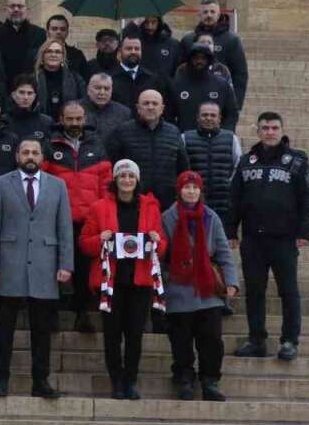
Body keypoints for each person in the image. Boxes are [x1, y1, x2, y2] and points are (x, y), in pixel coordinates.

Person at [0, 138, 74, 399]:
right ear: (17, 156)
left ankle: (41, 382)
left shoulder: (58, 186)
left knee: (42, 330)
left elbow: (64, 227)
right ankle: (1, 380)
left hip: (45, 264)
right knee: (4, 330)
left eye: (35, 152)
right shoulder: (1, 183)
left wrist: (65, 264)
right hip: (9, 263)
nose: (30, 156)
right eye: (25, 151)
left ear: (42, 156)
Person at [228, 112, 309, 362]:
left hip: (284, 238)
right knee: (255, 290)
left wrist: (304, 231)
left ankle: (289, 341)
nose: (270, 132)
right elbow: (234, 198)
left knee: (288, 290)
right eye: (265, 128)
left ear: (282, 130)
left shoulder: (297, 160)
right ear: (257, 131)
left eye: (274, 127)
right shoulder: (246, 161)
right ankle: (257, 339)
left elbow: (308, 197)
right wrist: (231, 230)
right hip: (253, 239)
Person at [80, 159, 167, 400]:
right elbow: (85, 245)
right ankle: (116, 380)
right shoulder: (99, 207)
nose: (127, 180)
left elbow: (162, 247)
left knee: (135, 334)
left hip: (140, 281)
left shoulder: (150, 207)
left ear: (137, 180)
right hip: (111, 282)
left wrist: (156, 241)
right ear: (115, 180)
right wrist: (100, 238)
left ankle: (130, 380)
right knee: (112, 334)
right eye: (122, 176)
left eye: (131, 176)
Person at [162, 171, 239, 401]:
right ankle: (185, 379)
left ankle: (210, 381)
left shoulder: (211, 217)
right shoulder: (168, 217)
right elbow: (160, 252)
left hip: (207, 290)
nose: (191, 192)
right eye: (187, 187)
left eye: (195, 188)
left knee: (212, 341)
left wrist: (232, 281)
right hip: (178, 288)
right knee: (181, 342)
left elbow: (223, 251)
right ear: (180, 190)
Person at [43, 101, 112, 332]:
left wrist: (103, 214)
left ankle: (82, 313)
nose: (74, 123)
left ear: (85, 119)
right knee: (53, 267)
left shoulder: (97, 145)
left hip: (87, 220)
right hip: (57, 218)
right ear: (61, 119)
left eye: (78, 118)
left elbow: (105, 184)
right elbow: (42, 182)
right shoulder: (50, 146)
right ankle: (50, 314)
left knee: (83, 269)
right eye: (70, 119)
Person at [107, 89, 189, 211]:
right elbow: (111, 166)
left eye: (155, 104)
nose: (150, 107)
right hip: (132, 202)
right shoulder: (122, 132)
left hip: (167, 203)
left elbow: (183, 168)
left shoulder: (174, 132)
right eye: (146, 103)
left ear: (162, 109)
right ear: (138, 108)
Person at [181, 102, 241, 229]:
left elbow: (238, 166)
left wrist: (228, 183)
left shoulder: (231, 139)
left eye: (213, 115)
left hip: (223, 203)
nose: (208, 118)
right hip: (193, 202)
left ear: (219, 118)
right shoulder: (185, 138)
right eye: (205, 115)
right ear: (198, 117)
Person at [180, 0, 248, 107]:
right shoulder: (188, 40)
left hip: (221, 99)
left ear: (219, 14)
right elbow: (180, 71)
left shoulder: (232, 40)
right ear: (199, 14)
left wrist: (236, 104)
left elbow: (240, 74)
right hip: (192, 97)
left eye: (212, 12)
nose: (209, 15)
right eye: (205, 12)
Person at [168, 43, 239, 132]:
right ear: (189, 60)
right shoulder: (177, 84)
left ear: (209, 60)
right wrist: (176, 134)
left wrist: (224, 134)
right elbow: (168, 115)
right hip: (184, 139)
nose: (199, 61)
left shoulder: (222, 85)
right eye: (196, 58)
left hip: (215, 141)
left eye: (203, 58)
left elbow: (231, 114)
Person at [0, 0, 46, 82]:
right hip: (3, 86)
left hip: (32, 87)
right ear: (6, 10)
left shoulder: (39, 34)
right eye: (12, 6)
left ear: (27, 10)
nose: (16, 9)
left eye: (20, 6)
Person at [110, 35, 167, 107]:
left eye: (137, 49)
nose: (133, 52)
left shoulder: (152, 79)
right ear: (120, 51)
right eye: (129, 48)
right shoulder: (110, 78)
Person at [33, 39, 86, 117]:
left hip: (68, 124)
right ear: (42, 55)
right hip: (40, 124)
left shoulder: (76, 79)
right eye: (49, 51)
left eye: (57, 52)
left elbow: (84, 102)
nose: (53, 55)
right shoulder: (33, 79)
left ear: (62, 57)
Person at [81, 73, 132, 142]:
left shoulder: (124, 113)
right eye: (97, 88)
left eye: (106, 89)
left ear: (111, 91)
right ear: (88, 90)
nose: (102, 92)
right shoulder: (74, 109)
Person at [5, 74, 53, 140]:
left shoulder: (46, 122)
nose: (26, 97)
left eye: (30, 93)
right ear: (13, 95)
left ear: (34, 96)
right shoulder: (3, 121)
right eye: (21, 92)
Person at [44, 14, 88, 79]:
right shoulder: (37, 54)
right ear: (47, 32)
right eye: (54, 29)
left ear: (67, 32)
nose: (58, 32)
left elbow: (85, 79)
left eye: (62, 29)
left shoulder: (77, 55)